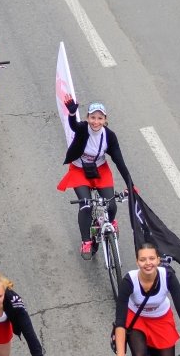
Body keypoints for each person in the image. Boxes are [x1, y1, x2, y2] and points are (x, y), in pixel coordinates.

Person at [58, 98, 130, 256]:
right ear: (87, 118)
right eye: (92, 117)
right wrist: (71, 113)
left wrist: (130, 185)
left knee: (111, 205)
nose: (96, 122)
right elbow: (73, 126)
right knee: (86, 206)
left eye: (100, 118)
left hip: (100, 170)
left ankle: (110, 222)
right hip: (79, 170)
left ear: (105, 120)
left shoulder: (110, 136)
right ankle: (86, 242)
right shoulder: (83, 128)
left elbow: (119, 162)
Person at [113, 242, 180, 356]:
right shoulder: (129, 281)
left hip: (161, 319)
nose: (148, 263)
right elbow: (120, 321)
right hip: (137, 319)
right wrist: (120, 354)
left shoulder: (168, 276)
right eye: (142, 259)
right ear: (137, 262)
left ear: (158, 260)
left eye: (152, 258)